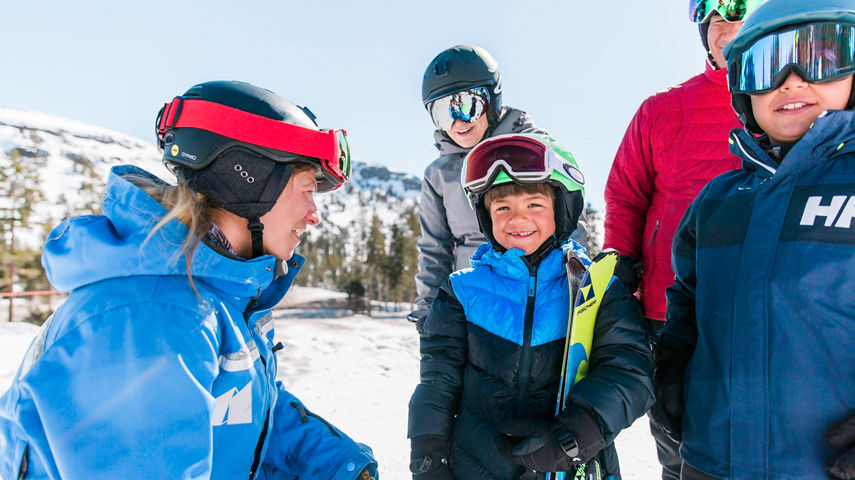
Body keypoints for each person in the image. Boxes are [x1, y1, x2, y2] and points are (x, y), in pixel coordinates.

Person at [0, 81, 378, 480]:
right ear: (249, 180)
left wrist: (341, 468)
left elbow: (243, 410)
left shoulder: (216, 294)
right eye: (306, 189)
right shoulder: (153, 318)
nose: (313, 214)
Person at [651, 0, 855, 478]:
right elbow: (688, 296)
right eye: (766, 65)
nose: (791, 80)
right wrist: (672, 362)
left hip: (820, 466)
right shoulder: (720, 199)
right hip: (712, 460)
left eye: (820, 57)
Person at [407, 133, 654, 480]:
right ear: (485, 216)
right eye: (502, 207)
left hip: (570, 462)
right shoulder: (461, 292)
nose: (517, 220)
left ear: (563, 210)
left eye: (534, 205)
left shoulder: (596, 291)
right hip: (473, 467)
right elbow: (437, 381)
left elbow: (631, 374)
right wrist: (428, 455)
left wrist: (573, 437)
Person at [602, 2, 763, 478]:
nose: (726, 31)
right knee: (677, 440)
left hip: (758, 303)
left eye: (739, 18)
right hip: (666, 310)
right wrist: (622, 264)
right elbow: (626, 196)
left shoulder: (788, 102)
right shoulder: (661, 109)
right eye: (715, 22)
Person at [410, 44, 586, 329]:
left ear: (492, 98)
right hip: (475, 303)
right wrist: (429, 310)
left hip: (538, 297)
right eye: (442, 112)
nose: (457, 121)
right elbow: (434, 249)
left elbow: (570, 221)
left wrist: (578, 285)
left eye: (467, 105)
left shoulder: (535, 150)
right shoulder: (439, 175)